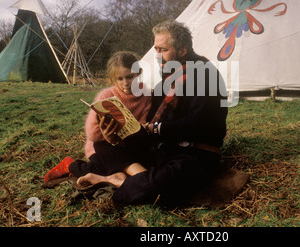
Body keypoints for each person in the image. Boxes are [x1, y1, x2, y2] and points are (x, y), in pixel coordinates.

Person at [81, 20, 228, 205]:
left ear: (182, 51)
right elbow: (150, 128)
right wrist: (115, 137)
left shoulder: (205, 75)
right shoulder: (165, 82)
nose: (157, 56)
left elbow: (197, 125)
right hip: (165, 150)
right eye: (155, 49)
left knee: (155, 190)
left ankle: (119, 180)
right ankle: (138, 176)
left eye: (163, 50)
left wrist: (154, 129)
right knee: (103, 146)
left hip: (195, 155)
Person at [43, 51, 152, 185]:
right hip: (103, 145)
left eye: (130, 77)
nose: (126, 83)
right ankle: (70, 165)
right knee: (103, 154)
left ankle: (117, 176)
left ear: (138, 73)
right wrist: (108, 136)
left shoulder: (146, 95)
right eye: (120, 79)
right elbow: (93, 135)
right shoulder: (106, 96)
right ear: (113, 79)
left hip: (128, 144)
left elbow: (142, 126)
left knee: (106, 168)